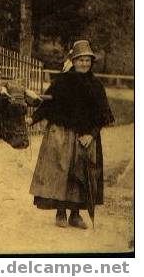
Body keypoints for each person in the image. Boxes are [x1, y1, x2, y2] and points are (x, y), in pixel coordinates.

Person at [29, 40, 114, 229]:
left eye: (87, 60)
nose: (84, 63)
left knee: (81, 174)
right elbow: (47, 104)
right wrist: (31, 120)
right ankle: (61, 213)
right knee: (61, 173)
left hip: (85, 137)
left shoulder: (96, 85)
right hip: (62, 134)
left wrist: (91, 135)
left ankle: (75, 215)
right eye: (80, 60)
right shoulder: (62, 81)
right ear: (73, 61)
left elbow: (103, 115)